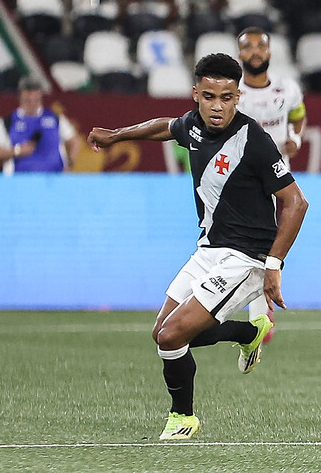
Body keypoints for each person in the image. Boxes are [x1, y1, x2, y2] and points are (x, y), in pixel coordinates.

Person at [86, 53, 308, 440]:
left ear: (238, 97)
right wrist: (118, 135)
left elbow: (296, 202)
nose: (217, 106)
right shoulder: (193, 124)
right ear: (195, 94)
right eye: (209, 97)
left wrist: (273, 264)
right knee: (162, 333)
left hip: (247, 259)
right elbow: (166, 127)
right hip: (208, 250)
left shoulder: (254, 140)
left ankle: (183, 417)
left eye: (226, 97)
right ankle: (248, 333)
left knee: (172, 336)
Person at [236, 26, 307, 341]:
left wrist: (295, 138)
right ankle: (260, 306)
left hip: (278, 177)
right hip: (242, 178)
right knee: (252, 244)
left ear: (269, 52)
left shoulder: (287, 88)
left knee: (271, 242)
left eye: (260, 46)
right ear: (240, 54)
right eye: (248, 47)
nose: (255, 52)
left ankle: (261, 307)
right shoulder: (233, 93)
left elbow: (298, 115)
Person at [0, 76, 80, 175]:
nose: (32, 103)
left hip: (53, 178)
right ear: (20, 97)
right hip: (19, 179)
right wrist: (17, 151)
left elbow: (74, 141)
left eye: (35, 99)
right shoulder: (8, 121)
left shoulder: (55, 118)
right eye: (27, 100)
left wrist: (70, 164)